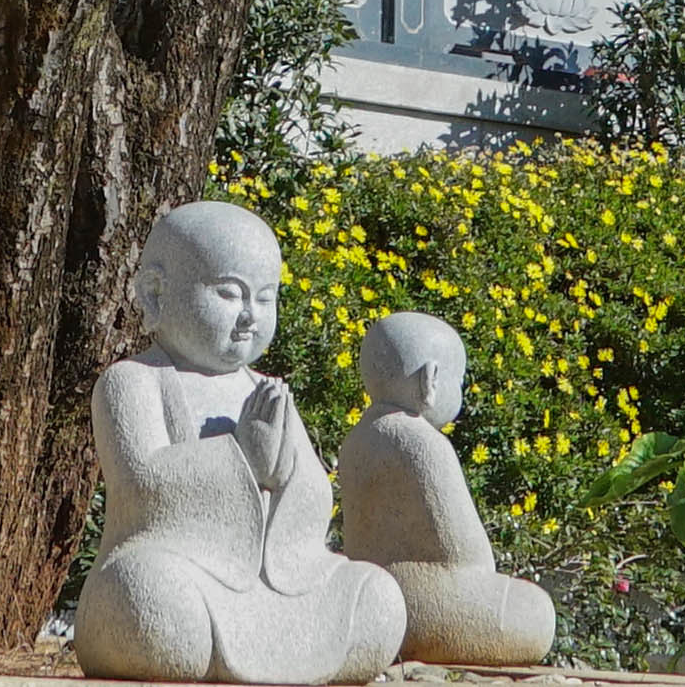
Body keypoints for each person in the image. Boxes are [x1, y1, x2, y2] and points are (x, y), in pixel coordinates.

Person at [72, 201, 406, 684]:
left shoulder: (265, 392)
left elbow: (315, 498)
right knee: (144, 591)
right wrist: (241, 457)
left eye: (266, 297)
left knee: (375, 593)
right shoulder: (133, 381)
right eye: (230, 293)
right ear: (155, 293)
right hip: (184, 571)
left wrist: (281, 469)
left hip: (275, 583)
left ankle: (280, 648)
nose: (250, 316)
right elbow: (142, 484)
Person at [342, 311, 558, 667]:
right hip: (429, 606)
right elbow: (468, 552)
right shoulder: (424, 442)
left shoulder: (355, 441)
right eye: (458, 381)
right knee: (535, 610)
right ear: (431, 380)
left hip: (371, 599)